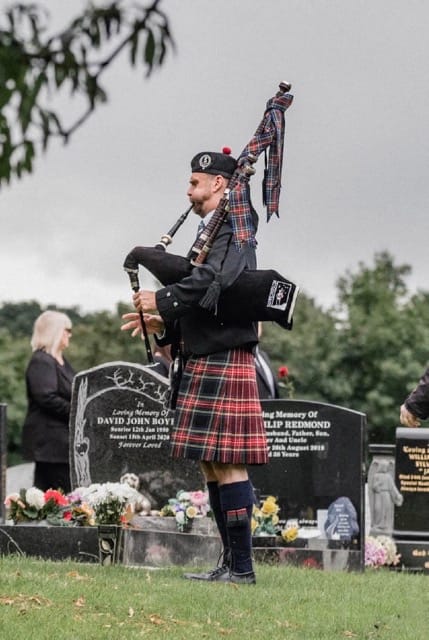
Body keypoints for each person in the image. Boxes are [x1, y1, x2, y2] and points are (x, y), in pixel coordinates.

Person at [122, 149, 268, 584]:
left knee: (228, 462)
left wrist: (162, 299)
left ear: (219, 184)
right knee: (210, 462)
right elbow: (199, 290)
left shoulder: (237, 225)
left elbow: (213, 282)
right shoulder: (213, 230)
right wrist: (164, 320)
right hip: (204, 353)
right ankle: (229, 561)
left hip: (225, 354)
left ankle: (242, 568)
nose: (188, 191)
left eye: (194, 182)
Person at [22, 310, 75, 494]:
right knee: (58, 498)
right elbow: (46, 397)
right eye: (66, 329)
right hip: (50, 445)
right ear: (54, 331)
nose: (70, 333)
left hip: (61, 445)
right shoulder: (42, 361)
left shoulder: (61, 361)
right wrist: (77, 413)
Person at [255, 324, 279, 400]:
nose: (256, 325)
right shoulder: (241, 358)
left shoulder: (264, 356)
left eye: (258, 322)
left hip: (273, 410)